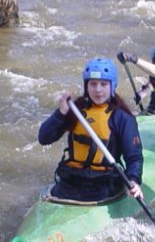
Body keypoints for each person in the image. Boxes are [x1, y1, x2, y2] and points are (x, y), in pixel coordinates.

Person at [38, 57, 143, 203]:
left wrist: (134, 180)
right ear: (86, 86)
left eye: (103, 84)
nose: (98, 90)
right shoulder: (76, 110)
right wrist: (61, 113)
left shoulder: (122, 117)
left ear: (112, 86)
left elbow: (134, 157)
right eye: (93, 84)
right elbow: (44, 139)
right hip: (72, 180)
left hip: (105, 184)